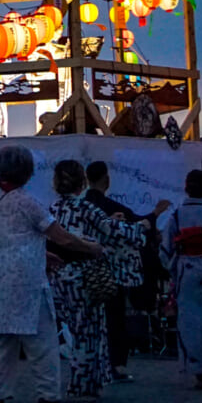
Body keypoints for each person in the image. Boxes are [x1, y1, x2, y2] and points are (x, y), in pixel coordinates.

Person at [0, 146, 102, 403]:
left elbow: (4, 238)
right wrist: (91, 247)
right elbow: (62, 237)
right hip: (26, 283)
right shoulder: (27, 202)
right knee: (42, 341)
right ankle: (48, 396)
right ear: (28, 172)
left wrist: (41, 252)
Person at [49, 161, 148, 400]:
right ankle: (82, 383)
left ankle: (86, 382)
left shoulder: (52, 209)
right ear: (81, 182)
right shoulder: (85, 208)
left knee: (75, 329)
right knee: (88, 331)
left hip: (58, 275)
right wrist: (142, 226)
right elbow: (113, 231)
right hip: (85, 275)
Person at [83, 161, 170, 383]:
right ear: (106, 179)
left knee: (89, 320)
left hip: (84, 269)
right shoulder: (111, 207)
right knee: (114, 317)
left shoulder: (82, 206)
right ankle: (116, 364)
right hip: (112, 270)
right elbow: (135, 225)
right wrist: (155, 213)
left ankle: (90, 365)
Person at [160, 170, 202, 388]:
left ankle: (198, 371)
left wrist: (173, 270)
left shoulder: (177, 216)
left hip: (187, 267)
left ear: (186, 188)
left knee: (189, 319)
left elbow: (165, 249)